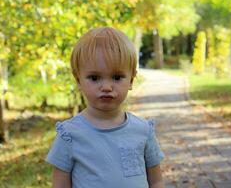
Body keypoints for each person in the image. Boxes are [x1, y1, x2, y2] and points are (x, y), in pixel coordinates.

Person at [46, 27, 165, 188]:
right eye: (94, 78)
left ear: (131, 80)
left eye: (117, 77)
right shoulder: (70, 135)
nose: (107, 87)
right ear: (78, 80)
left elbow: (156, 181)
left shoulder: (143, 131)